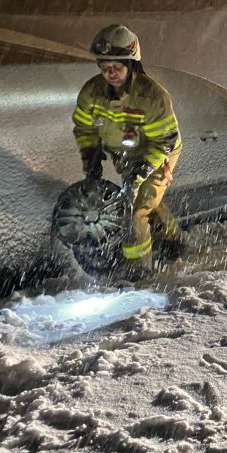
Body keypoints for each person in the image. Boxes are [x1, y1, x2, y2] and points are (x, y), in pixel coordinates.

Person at [72, 25, 182, 272]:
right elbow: (84, 128)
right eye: (104, 67)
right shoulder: (91, 92)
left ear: (131, 64)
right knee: (141, 199)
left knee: (134, 209)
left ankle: (139, 272)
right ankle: (172, 239)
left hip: (158, 154)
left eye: (116, 67)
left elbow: (163, 141)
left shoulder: (152, 97)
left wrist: (141, 172)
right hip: (126, 153)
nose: (109, 73)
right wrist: (91, 158)